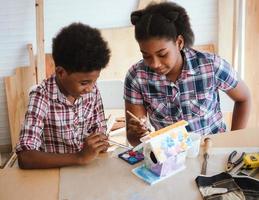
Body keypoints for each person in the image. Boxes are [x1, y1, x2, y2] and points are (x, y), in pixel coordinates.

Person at [124, 2, 251, 146]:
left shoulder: (211, 65)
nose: (154, 64)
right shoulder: (136, 77)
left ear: (179, 42)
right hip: (170, 156)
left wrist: (233, 141)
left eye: (162, 54)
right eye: (146, 55)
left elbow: (244, 99)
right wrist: (138, 134)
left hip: (211, 148)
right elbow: (134, 140)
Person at [16, 23, 111, 169]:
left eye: (94, 81)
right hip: (52, 172)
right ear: (60, 72)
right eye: (84, 82)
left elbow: (99, 131)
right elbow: (25, 157)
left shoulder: (91, 90)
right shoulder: (41, 96)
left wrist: (99, 143)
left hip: (85, 169)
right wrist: (79, 157)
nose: (91, 88)